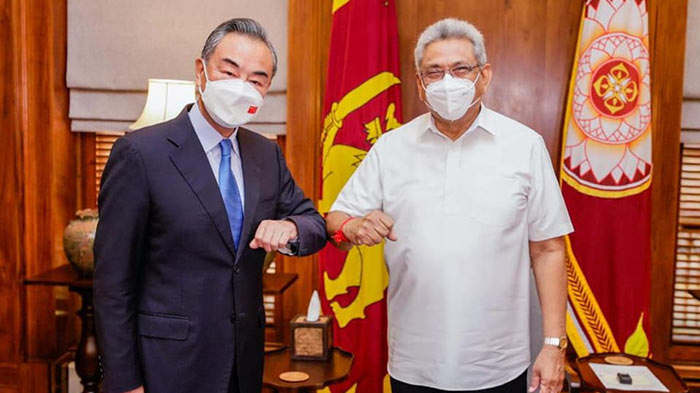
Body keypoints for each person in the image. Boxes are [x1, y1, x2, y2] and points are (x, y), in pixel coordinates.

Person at [326, 18, 573, 393]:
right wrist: (354, 228)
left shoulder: (525, 146)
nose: (448, 82)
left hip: (500, 362)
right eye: (434, 72)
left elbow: (550, 248)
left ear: (484, 76)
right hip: (414, 362)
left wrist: (554, 346)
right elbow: (335, 221)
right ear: (420, 84)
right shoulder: (391, 148)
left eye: (461, 69)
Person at [94, 18, 327, 393]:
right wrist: (123, 380)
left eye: (256, 79)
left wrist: (292, 228)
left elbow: (314, 223)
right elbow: (112, 281)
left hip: (244, 362)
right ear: (200, 71)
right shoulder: (140, 153)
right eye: (229, 71)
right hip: (167, 366)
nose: (241, 87)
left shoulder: (265, 154)